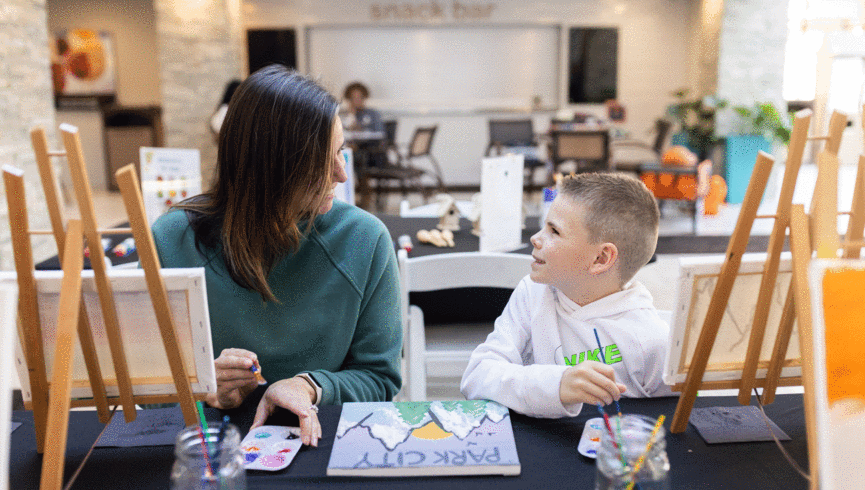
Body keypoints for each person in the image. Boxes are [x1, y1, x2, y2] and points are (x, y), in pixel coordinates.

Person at [151, 65, 402, 447]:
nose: (341, 175)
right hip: (209, 451)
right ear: (271, 169)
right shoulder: (171, 241)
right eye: (321, 162)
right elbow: (142, 389)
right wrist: (198, 385)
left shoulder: (365, 240)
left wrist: (310, 386)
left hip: (322, 441)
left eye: (340, 152)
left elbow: (380, 378)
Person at [460, 172, 669, 418]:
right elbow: (476, 376)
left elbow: (669, 421)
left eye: (554, 231)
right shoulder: (534, 293)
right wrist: (556, 385)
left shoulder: (653, 341)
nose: (535, 238)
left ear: (601, 258)